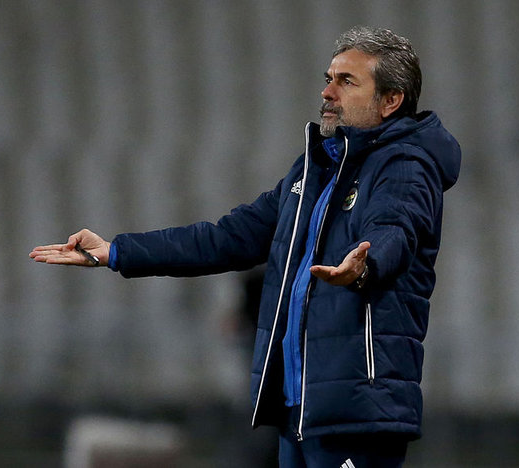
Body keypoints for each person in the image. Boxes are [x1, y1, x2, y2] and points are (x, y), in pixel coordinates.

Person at [30, 26, 461, 468]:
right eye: (329, 78)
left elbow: (395, 228)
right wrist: (117, 251)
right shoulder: (314, 170)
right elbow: (226, 237)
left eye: (346, 81)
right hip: (301, 409)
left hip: (356, 410)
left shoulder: (406, 165)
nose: (327, 91)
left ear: (391, 100)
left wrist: (366, 265)